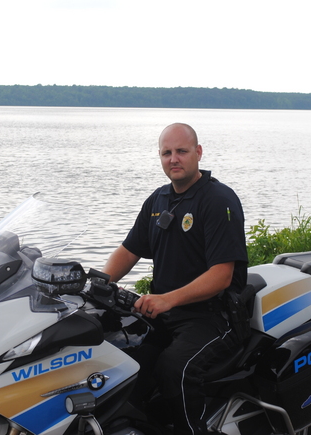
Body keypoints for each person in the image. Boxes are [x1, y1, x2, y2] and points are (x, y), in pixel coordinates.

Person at [102, 123, 248, 435]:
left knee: (174, 368)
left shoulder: (218, 199)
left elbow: (222, 276)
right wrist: (97, 282)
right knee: (122, 360)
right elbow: (128, 251)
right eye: (166, 153)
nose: (174, 159)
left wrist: (167, 299)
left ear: (198, 152)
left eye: (181, 151)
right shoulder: (158, 200)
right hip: (165, 315)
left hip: (212, 316)